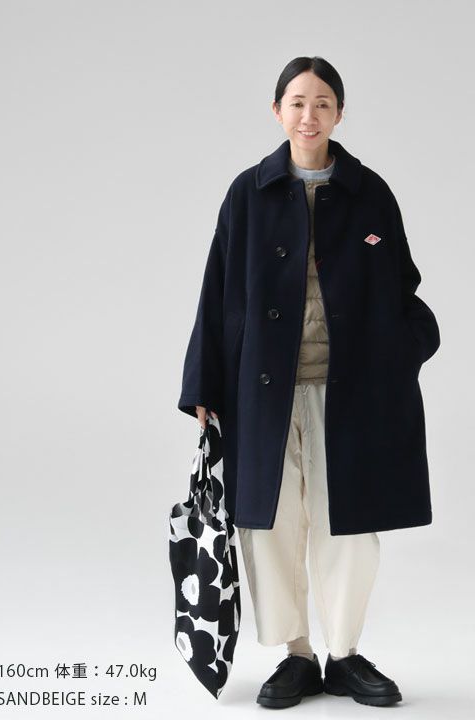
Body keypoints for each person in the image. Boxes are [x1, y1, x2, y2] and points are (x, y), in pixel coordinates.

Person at [180, 56, 440, 708]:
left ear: (339, 113)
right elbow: (217, 291)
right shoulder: (248, 192)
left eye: (322, 103)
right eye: (297, 102)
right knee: (268, 525)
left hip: (350, 390)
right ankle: (295, 655)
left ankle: (345, 655)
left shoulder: (370, 192)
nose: (309, 115)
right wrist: (204, 383)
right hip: (260, 392)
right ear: (277, 112)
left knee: (349, 525)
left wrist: (407, 349)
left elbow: (403, 285)